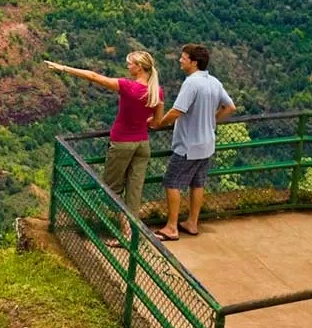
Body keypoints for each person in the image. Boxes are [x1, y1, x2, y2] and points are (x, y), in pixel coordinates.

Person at [46, 52, 163, 235]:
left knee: (111, 189)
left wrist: (63, 68)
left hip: (122, 143)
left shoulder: (128, 87)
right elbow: (157, 122)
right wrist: (142, 121)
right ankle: (134, 231)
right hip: (142, 144)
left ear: (139, 67)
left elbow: (93, 76)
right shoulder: (156, 91)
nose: (127, 67)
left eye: (130, 64)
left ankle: (126, 233)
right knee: (134, 190)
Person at [149, 44, 237, 241]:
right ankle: (192, 222)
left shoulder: (191, 83)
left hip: (188, 145)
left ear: (194, 62)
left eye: (184, 58)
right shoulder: (214, 82)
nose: (180, 60)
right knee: (197, 183)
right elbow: (230, 107)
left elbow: (177, 111)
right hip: (207, 143)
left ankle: (171, 227)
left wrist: (158, 123)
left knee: (171, 182)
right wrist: (211, 121)